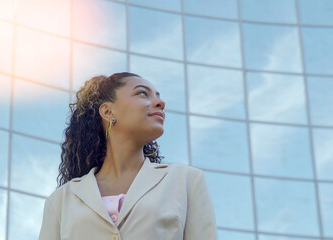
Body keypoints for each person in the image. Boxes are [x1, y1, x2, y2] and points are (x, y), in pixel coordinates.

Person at [38, 72, 218, 240]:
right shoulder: (61, 200)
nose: (160, 102)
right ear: (108, 112)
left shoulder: (186, 181)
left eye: (158, 95)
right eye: (142, 94)